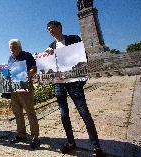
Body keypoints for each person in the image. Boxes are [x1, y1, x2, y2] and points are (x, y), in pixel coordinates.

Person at [45, 20, 104, 156]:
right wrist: (48, 55)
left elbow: (83, 57)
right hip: (59, 83)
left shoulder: (74, 39)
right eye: (48, 29)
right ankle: (71, 142)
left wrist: (80, 80)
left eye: (52, 28)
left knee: (84, 112)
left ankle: (96, 146)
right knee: (64, 114)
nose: (50, 31)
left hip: (73, 82)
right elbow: (51, 65)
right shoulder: (51, 45)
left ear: (59, 27)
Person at [8, 39, 40, 149]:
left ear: (20, 46)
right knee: (17, 113)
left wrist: (26, 74)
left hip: (25, 87)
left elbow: (34, 69)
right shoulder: (10, 58)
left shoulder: (27, 55)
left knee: (30, 112)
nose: (12, 49)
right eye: (11, 48)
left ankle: (35, 137)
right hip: (14, 89)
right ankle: (21, 135)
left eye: (15, 47)